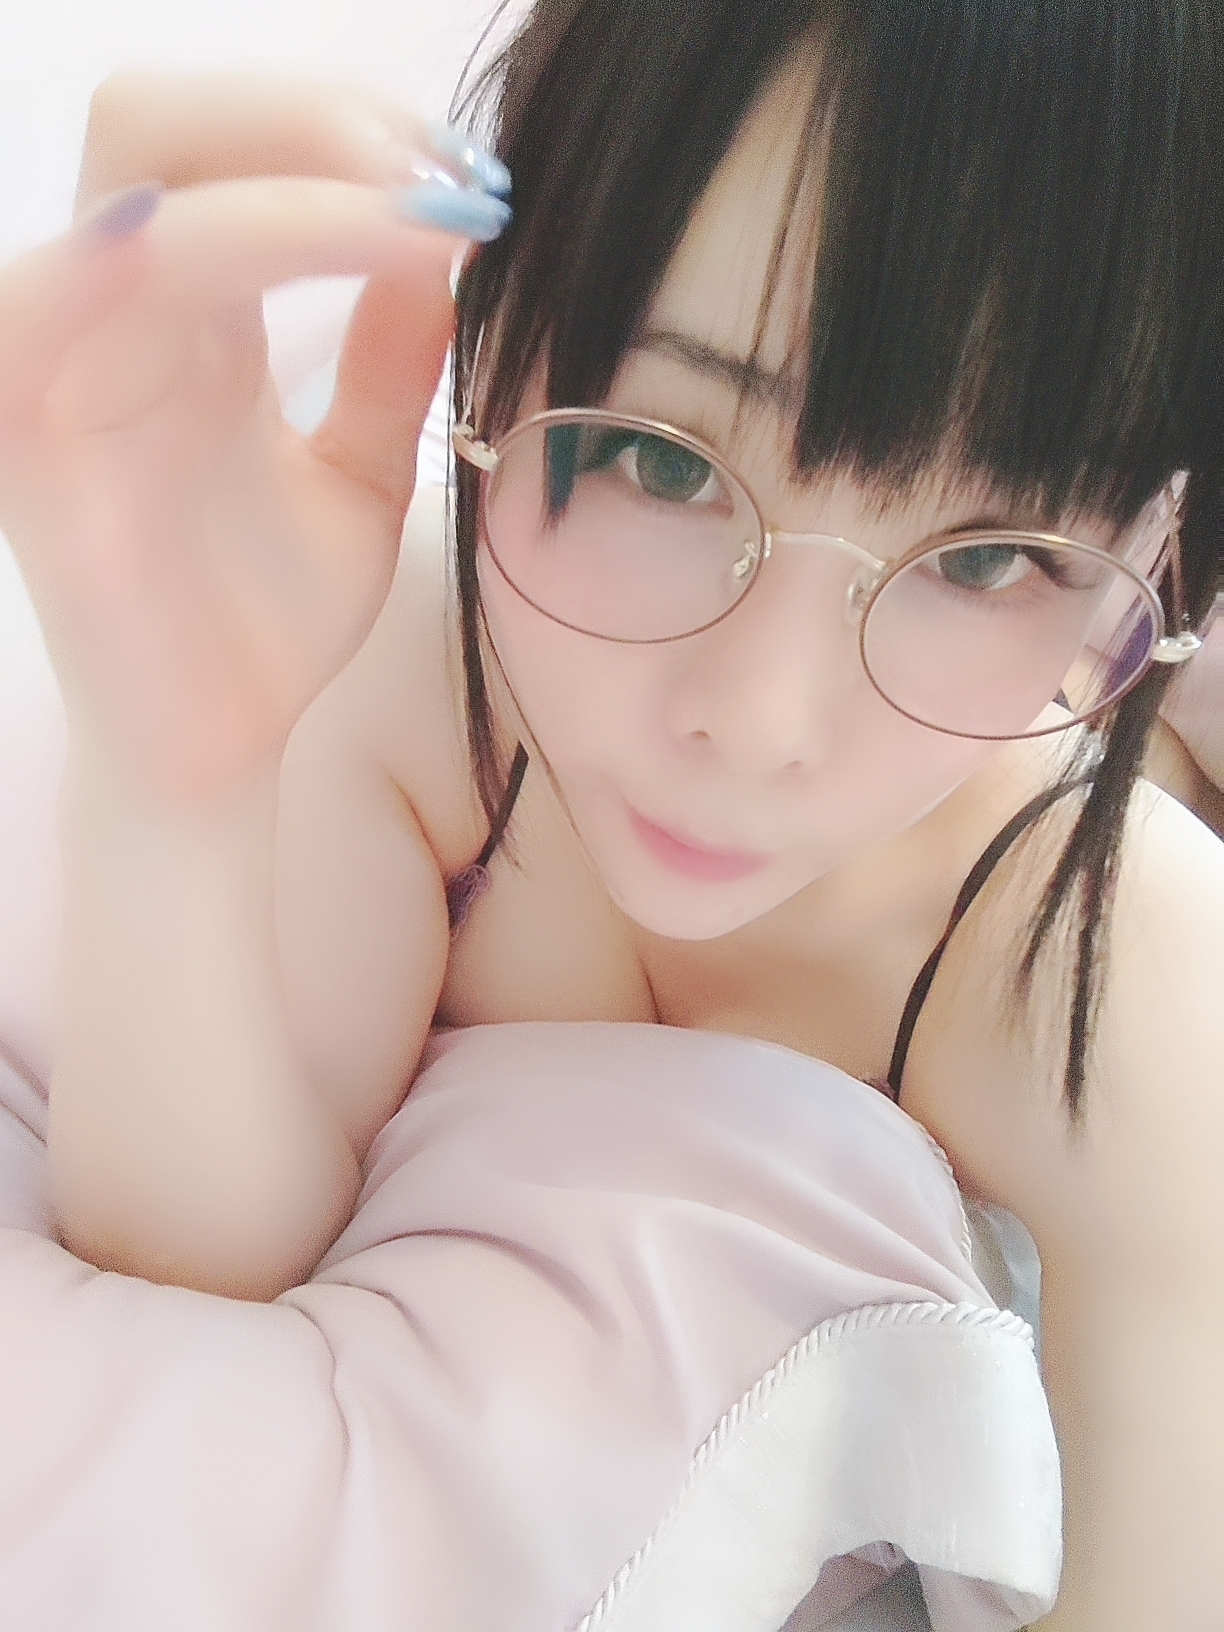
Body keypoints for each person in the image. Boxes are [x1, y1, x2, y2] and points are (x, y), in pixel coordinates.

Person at [0, 3, 1219, 1629]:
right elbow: (199, 1264)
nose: (757, 725)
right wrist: (174, 781)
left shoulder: (1128, 1001)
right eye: (664, 462)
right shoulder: (426, 666)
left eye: (991, 558)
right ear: (491, 340)